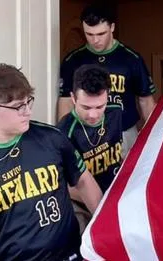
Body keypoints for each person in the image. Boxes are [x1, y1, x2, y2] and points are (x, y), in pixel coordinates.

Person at [0, 64, 103, 261]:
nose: (27, 111)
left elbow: (83, 181)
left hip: (68, 255)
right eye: (18, 106)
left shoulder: (52, 138)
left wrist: (106, 229)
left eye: (28, 102)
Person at [58, 2, 156, 158]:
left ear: (112, 27)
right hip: (85, 133)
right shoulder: (73, 61)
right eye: (89, 34)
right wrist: (63, 139)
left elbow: (145, 101)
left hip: (124, 132)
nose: (95, 40)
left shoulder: (131, 59)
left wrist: (155, 136)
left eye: (101, 34)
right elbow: (66, 101)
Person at [57, 64, 123, 234]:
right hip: (80, 205)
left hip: (116, 196)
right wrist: (99, 204)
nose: (93, 115)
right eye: (86, 107)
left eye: (99, 107)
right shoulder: (62, 133)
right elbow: (63, 184)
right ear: (73, 98)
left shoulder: (115, 112)